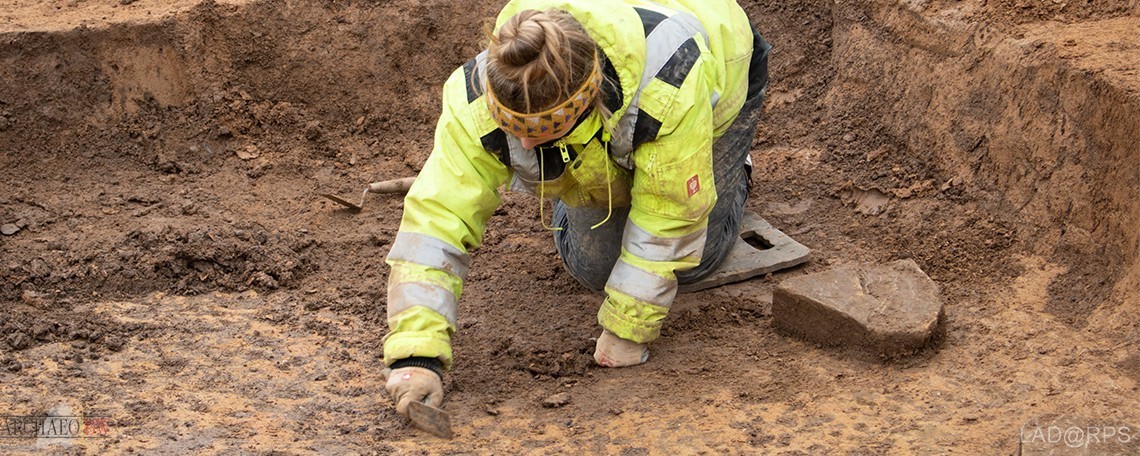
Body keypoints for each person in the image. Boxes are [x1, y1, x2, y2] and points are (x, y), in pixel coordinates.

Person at [380, 0, 771, 416]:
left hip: (719, 69)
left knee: (693, 256)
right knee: (597, 267)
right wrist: (415, 357)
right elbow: (434, 224)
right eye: (516, 130)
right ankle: (618, 168)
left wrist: (629, 329)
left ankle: (729, 171)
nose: (525, 145)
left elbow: (671, 214)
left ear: (586, 100)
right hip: (607, 122)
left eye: (541, 131)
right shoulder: (476, 96)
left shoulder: (671, 80)